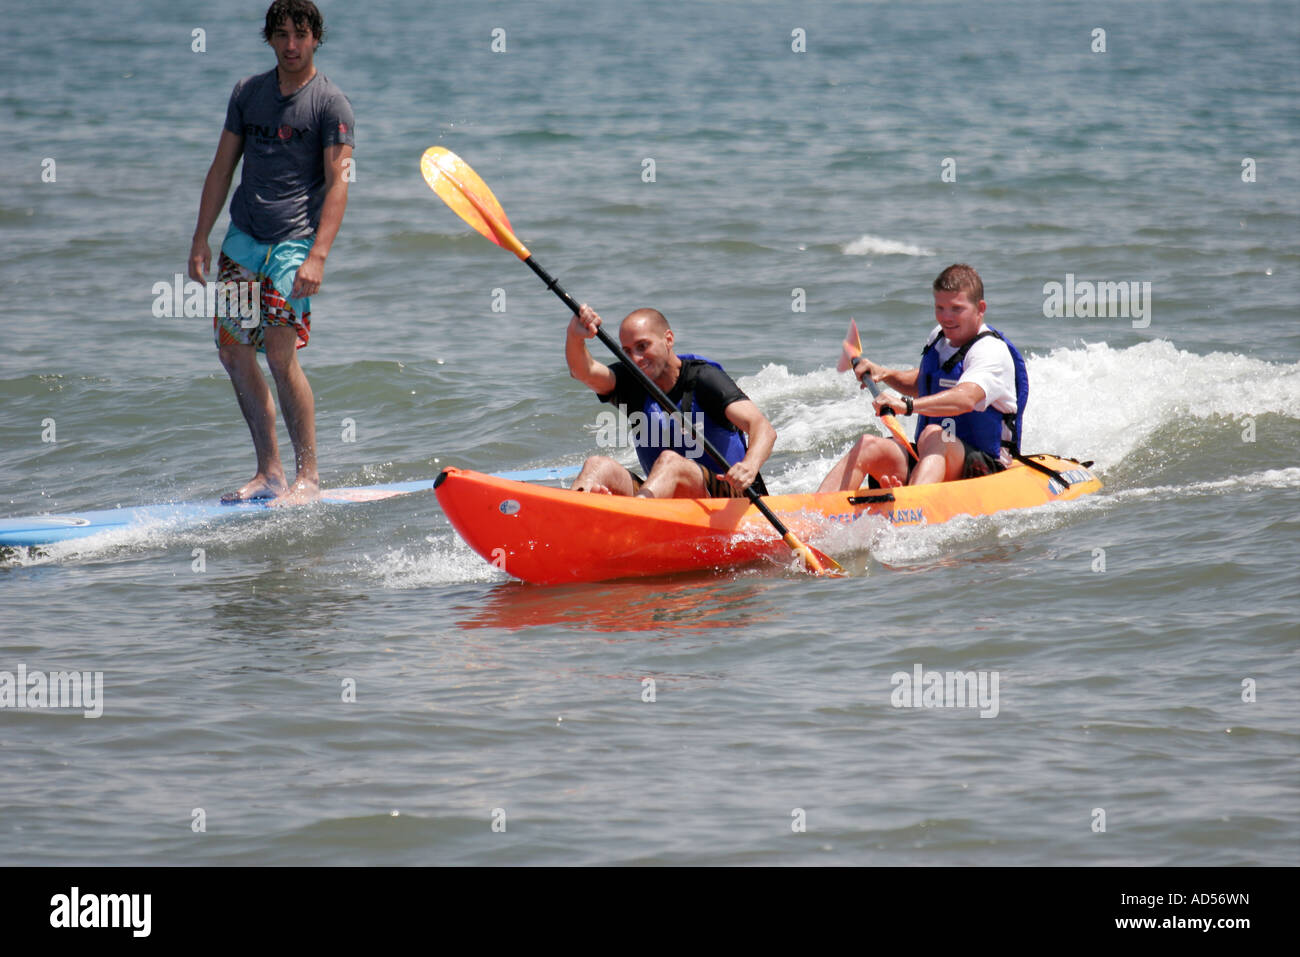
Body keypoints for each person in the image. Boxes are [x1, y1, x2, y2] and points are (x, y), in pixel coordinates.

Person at [187, 0, 354, 504]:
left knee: (280, 355)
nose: (291, 45)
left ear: (316, 39)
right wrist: (200, 238)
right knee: (234, 352)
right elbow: (221, 169)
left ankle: (309, 478)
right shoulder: (248, 94)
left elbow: (339, 183)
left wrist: (318, 254)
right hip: (243, 239)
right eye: (281, 35)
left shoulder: (331, 104)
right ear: (270, 39)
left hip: (293, 243)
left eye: (300, 35)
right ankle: (269, 472)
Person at [818, 264, 1028, 492]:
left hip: (986, 468)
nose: (946, 318)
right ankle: (813, 516)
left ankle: (910, 505)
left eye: (956, 309)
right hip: (935, 456)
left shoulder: (990, 351)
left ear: (980, 308)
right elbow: (925, 383)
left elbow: (965, 398)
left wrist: (906, 406)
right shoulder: (938, 337)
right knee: (868, 446)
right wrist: (886, 374)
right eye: (940, 308)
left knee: (934, 434)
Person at [565, 304, 776, 498]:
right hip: (664, 502)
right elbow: (583, 371)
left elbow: (762, 427)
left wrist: (749, 465)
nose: (636, 358)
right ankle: (570, 515)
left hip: (731, 497)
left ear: (668, 339)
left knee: (671, 462)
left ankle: (638, 515)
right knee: (598, 466)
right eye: (627, 351)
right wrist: (575, 336)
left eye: (642, 346)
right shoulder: (632, 380)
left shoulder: (704, 378)